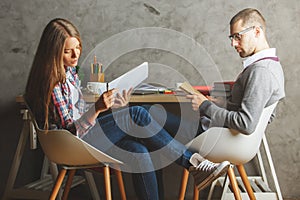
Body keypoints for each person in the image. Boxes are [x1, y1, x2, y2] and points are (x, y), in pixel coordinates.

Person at [24, 18, 230, 200]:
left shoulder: (69, 73)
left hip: (85, 137)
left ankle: (192, 165)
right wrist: (96, 109)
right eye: (67, 51)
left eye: (78, 47)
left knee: (140, 150)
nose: (75, 55)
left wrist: (109, 107)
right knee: (138, 113)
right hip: (72, 144)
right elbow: (70, 131)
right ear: (53, 52)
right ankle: (193, 164)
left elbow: (81, 113)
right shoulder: (52, 83)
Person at [146, 8, 285, 147]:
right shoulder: (271, 66)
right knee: (142, 124)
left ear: (257, 32)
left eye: (238, 36)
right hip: (220, 134)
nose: (233, 44)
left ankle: (190, 160)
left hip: (214, 137)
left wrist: (205, 106)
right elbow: (263, 115)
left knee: (141, 113)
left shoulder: (261, 71)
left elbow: (245, 124)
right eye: (232, 38)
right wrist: (221, 104)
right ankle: (191, 161)